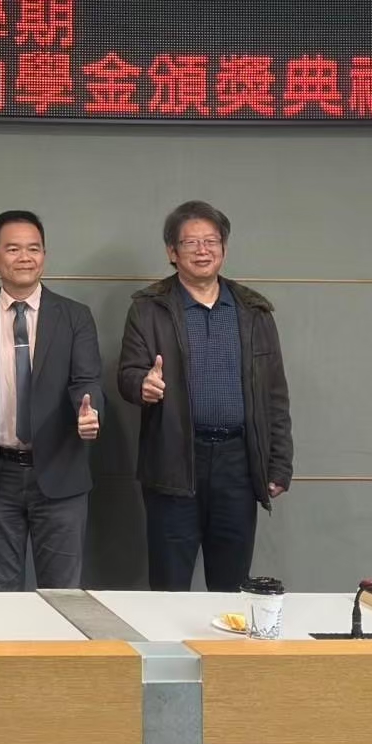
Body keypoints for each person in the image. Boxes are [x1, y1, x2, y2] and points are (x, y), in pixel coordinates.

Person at [116, 200, 294, 592]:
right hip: (173, 459)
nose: (202, 250)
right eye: (190, 242)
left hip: (237, 463)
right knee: (169, 586)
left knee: (231, 588)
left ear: (224, 249)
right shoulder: (149, 309)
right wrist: (143, 384)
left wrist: (279, 462)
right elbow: (127, 375)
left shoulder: (254, 311)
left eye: (211, 241)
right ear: (172, 252)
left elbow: (275, 394)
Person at [0, 210, 104, 591]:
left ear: (44, 256)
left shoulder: (75, 316)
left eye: (34, 249)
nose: (25, 257)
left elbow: (87, 380)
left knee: (63, 594)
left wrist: (89, 413)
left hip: (60, 472)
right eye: (13, 249)